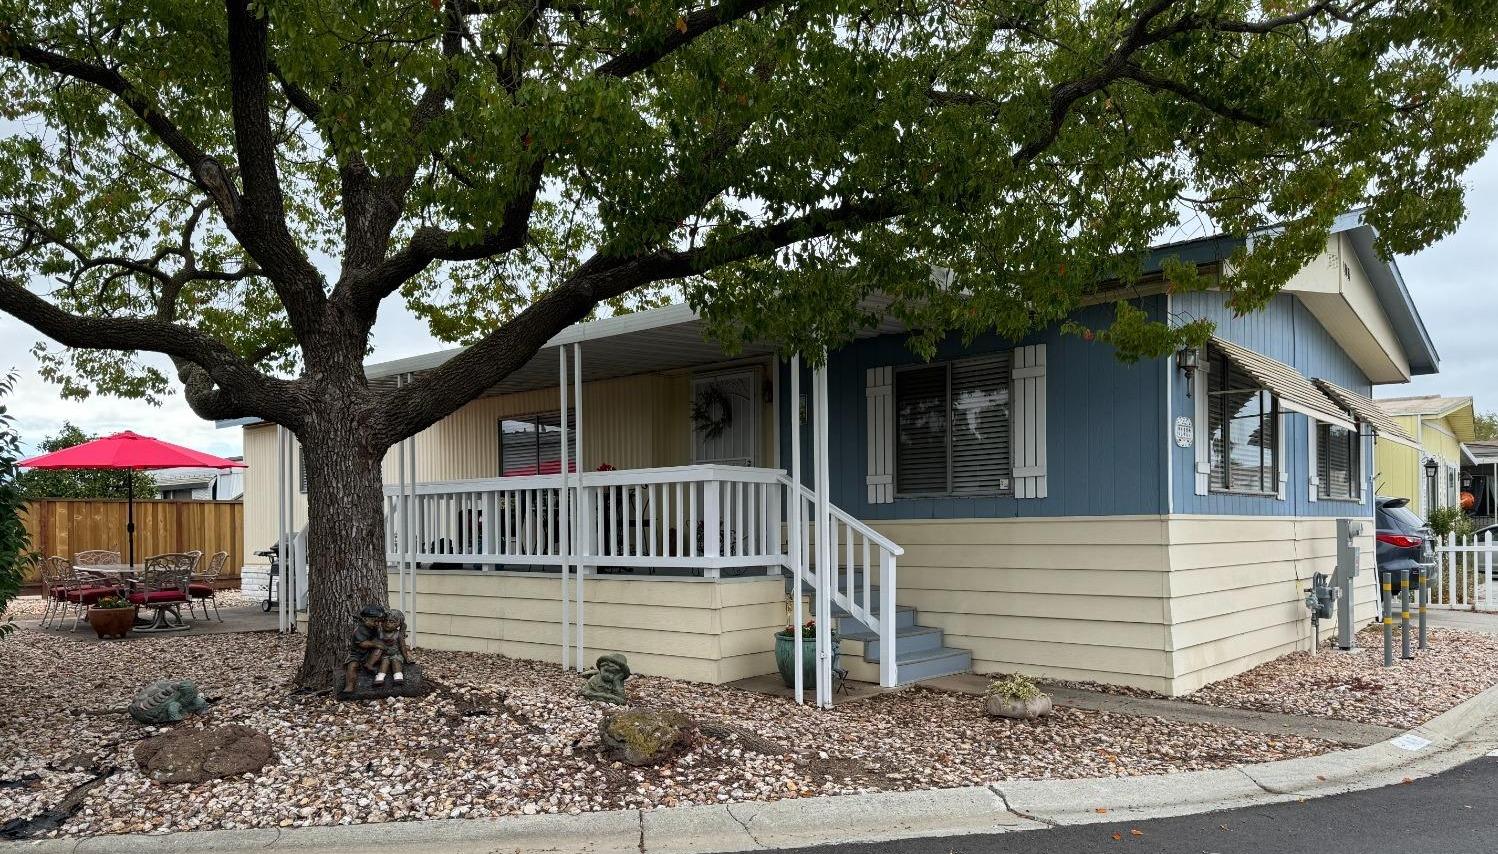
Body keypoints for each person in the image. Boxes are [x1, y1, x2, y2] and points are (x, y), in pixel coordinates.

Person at [342, 604, 386, 694]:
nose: (377, 624)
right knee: (352, 666)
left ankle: (369, 664)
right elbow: (363, 644)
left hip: (369, 653)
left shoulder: (375, 628)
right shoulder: (360, 630)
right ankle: (350, 685)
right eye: (374, 621)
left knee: (379, 650)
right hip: (358, 654)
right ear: (365, 619)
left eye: (379, 621)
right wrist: (375, 644)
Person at [375, 609, 415, 685]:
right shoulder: (380, 633)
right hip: (384, 654)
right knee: (385, 661)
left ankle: (398, 676)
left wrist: (406, 657)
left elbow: (402, 646)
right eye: (385, 621)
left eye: (392, 622)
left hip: (396, 654)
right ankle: (380, 677)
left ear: (398, 624)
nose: (387, 623)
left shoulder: (398, 635)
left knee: (396, 661)